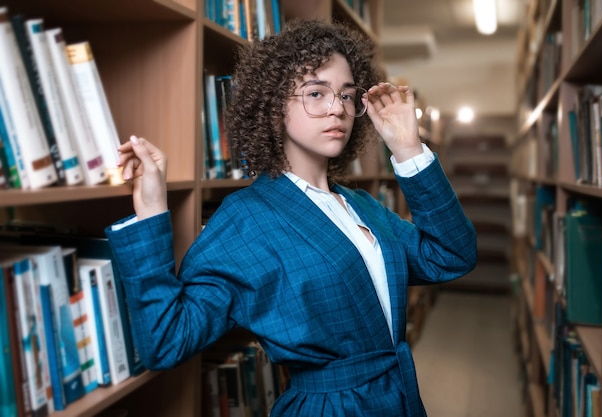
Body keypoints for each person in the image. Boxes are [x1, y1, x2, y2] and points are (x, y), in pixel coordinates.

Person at [106, 19, 476, 417]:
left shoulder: (362, 204)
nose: (337, 108)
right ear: (273, 102)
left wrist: (407, 149)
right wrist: (151, 213)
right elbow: (165, 340)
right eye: (316, 93)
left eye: (347, 96)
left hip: (398, 397)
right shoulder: (246, 219)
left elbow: (451, 254)